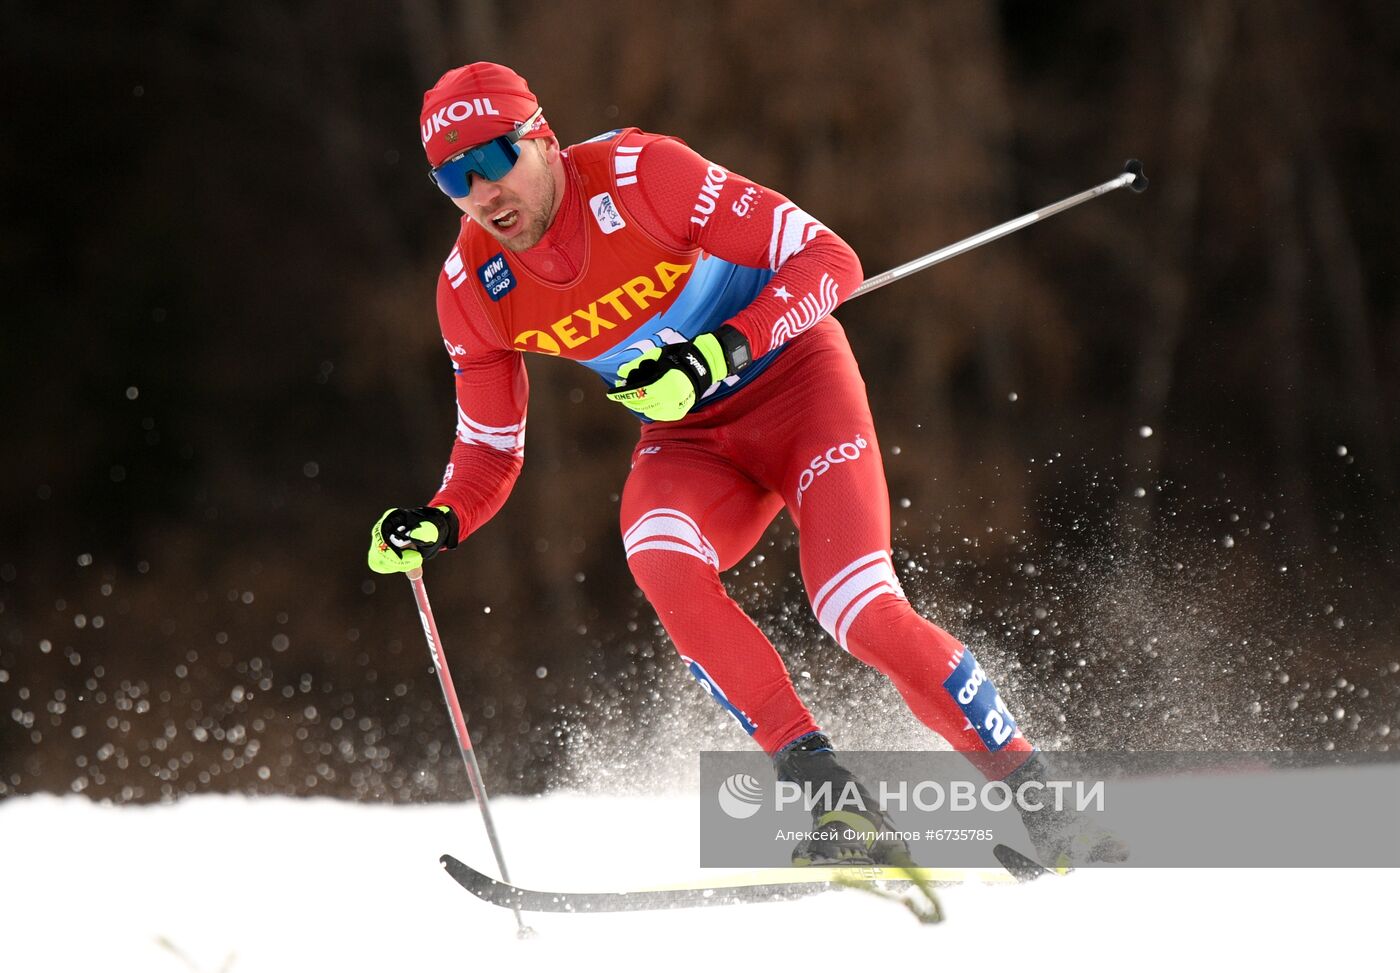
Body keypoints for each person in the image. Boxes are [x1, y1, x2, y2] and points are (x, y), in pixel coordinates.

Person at [368, 62, 1122, 869]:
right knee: (657, 553)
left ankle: (1047, 806)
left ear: (542, 138)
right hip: (693, 439)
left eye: (494, 159)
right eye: (453, 177)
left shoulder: (642, 175)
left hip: (799, 390)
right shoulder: (472, 288)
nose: (483, 191)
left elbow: (829, 259)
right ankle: (839, 808)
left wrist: (715, 352)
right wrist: (442, 518)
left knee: (857, 609)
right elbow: (490, 448)